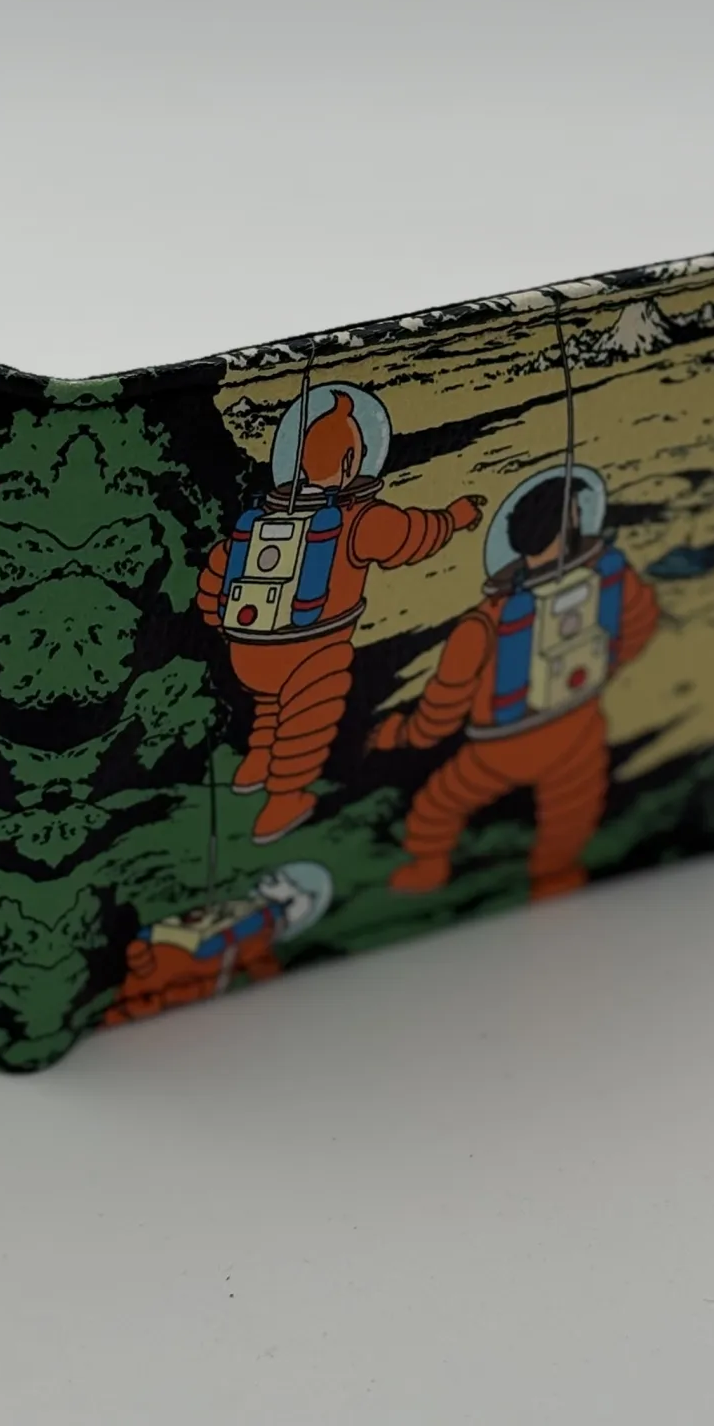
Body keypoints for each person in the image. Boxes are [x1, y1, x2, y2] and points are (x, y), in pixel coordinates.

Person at [199, 385, 482, 844]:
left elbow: (217, 572)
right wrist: (454, 517)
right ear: (353, 462)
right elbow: (412, 536)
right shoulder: (359, 519)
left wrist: (223, 624)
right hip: (314, 649)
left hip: (248, 650)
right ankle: (284, 799)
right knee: (305, 721)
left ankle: (256, 764)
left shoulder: (262, 518)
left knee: (271, 705)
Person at [373, 464, 658, 902]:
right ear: (571, 522)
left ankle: (428, 866)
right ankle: (554, 876)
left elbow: (445, 701)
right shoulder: (610, 577)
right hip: (579, 724)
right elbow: (638, 622)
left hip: (502, 744)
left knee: (440, 804)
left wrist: (405, 734)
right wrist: (604, 667)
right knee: (572, 810)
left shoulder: (486, 622)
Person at [103, 862, 333, 1022]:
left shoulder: (260, 926)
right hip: (164, 964)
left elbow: (253, 961)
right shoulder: (247, 913)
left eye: (277, 881)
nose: (266, 880)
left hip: (183, 975)